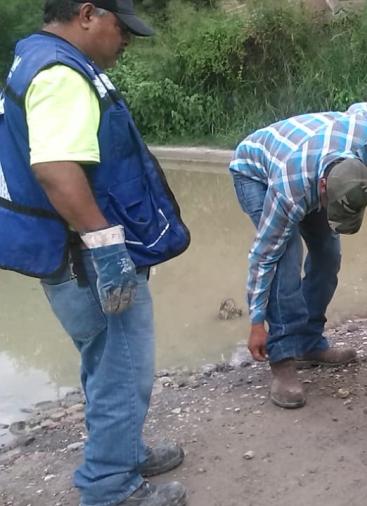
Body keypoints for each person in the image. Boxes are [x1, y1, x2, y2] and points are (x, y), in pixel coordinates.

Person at [0, 1, 192, 505]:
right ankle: (111, 485)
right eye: (120, 27)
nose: (126, 39)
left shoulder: (36, 58)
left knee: (106, 362)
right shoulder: (61, 74)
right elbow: (57, 169)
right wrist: (107, 248)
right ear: (87, 13)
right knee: (122, 369)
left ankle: (122, 449)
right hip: (85, 260)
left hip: (67, 256)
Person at [229, 102, 367, 409]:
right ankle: (283, 358)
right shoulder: (290, 192)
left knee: (328, 253)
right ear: (322, 190)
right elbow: (264, 257)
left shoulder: (365, 135)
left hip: (308, 158)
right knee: (286, 257)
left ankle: (308, 342)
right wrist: (256, 323)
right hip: (255, 171)